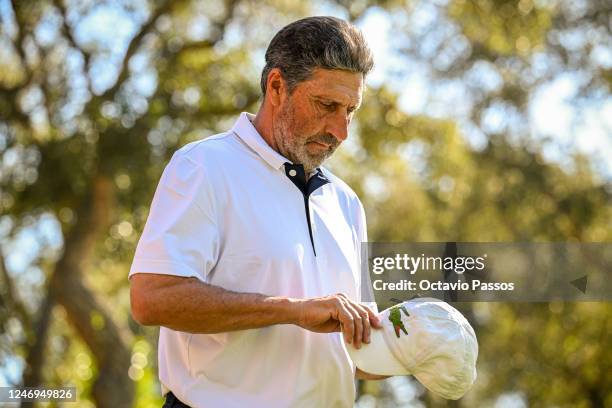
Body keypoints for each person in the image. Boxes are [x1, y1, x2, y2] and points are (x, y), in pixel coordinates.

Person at [129, 16, 383, 408]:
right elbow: (151, 298)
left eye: (350, 109)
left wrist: (425, 344)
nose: (341, 130)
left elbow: (358, 352)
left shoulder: (347, 203)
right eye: (327, 105)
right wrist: (294, 311)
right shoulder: (204, 166)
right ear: (277, 87)